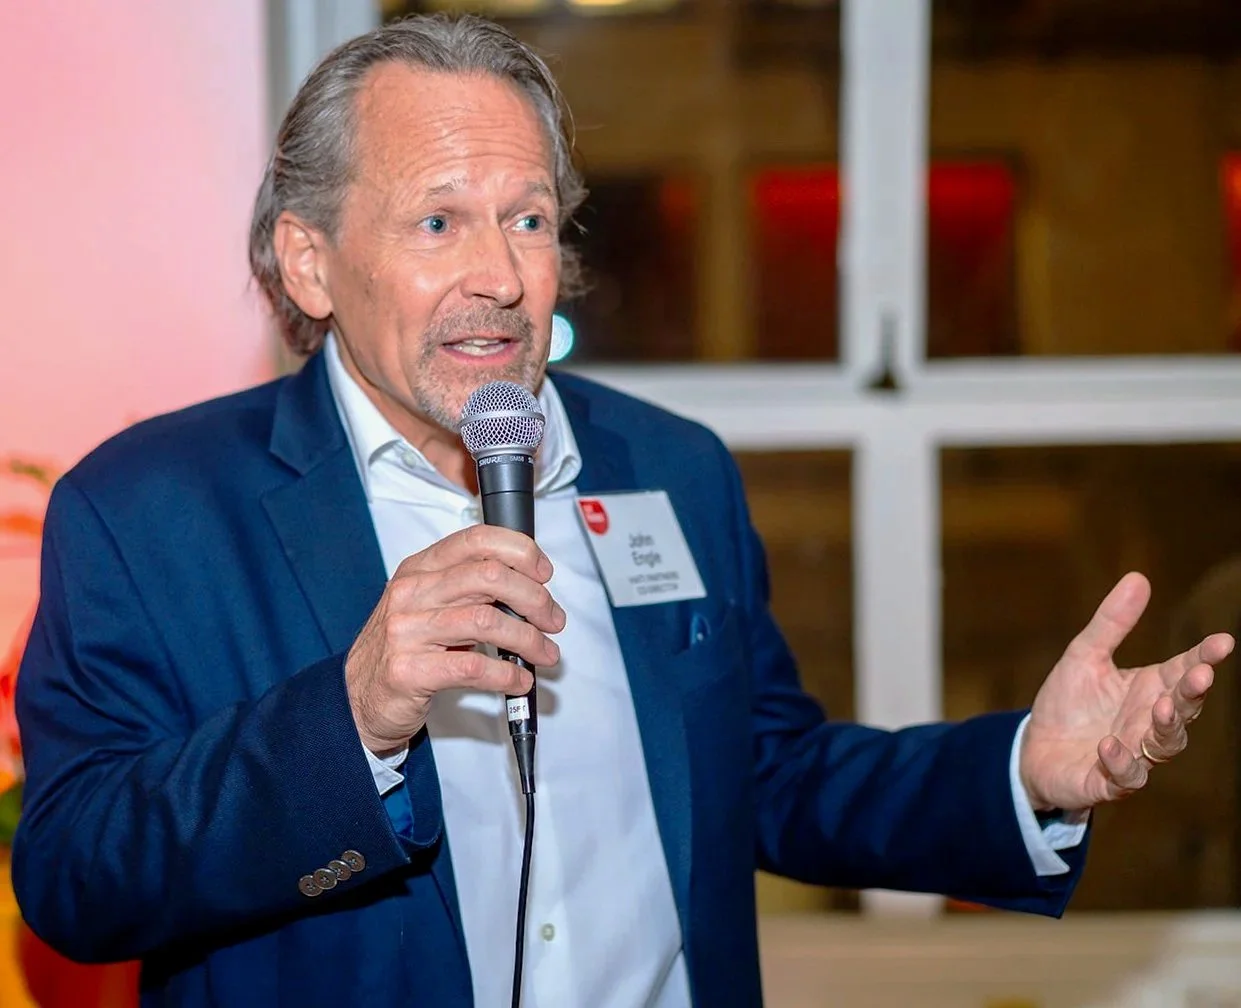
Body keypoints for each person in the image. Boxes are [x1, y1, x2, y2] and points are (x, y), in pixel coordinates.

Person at [11, 13, 1232, 1008]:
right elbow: (76, 879)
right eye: (438, 221)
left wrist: (1026, 769)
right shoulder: (147, 511)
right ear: (309, 259)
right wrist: (354, 713)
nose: (500, 276)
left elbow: (765, 772)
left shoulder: (669, 468)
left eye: (528, 218)